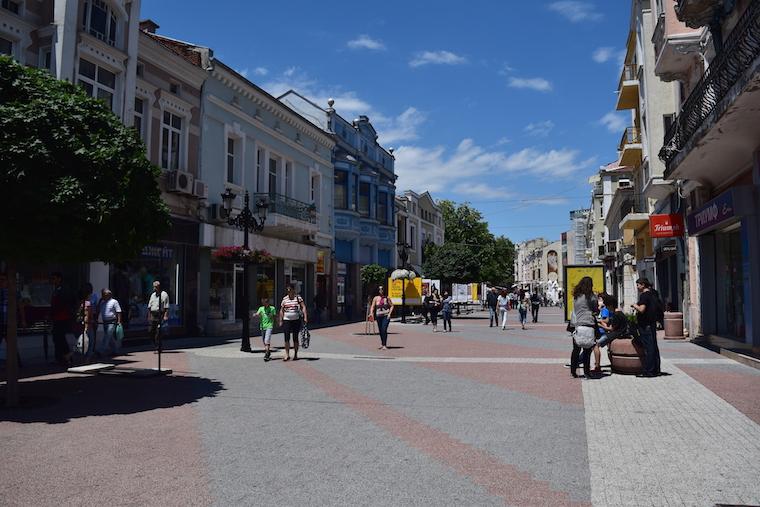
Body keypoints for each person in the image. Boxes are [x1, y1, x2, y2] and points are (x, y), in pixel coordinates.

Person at [631, 277, 661, 377]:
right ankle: (656, 369)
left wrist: (634, 305)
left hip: (645, 325)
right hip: (652, 323)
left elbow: (642, 309)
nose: (637, 287)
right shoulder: (653, 293)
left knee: (649, 348)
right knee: (653, 347)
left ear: (643, 284)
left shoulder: (644, 295)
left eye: (638, 285)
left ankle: (649, 371)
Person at [570, 276, 598, 379]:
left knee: (576, 350)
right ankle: (587, 372)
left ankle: (573, 371)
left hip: (577, 325)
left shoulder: (576, 296)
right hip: (589, 324)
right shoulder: (591, 297)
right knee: (587, 351)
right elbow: (595, 310)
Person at [50, 272, 73, 366]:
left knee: (60, 337)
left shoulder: (63, 289)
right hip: (57, 317)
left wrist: (52, 313)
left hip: (62, 317)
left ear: (59, 279)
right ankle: (60, 358)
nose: (53, 281)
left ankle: (66, 356)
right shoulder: (56, 289)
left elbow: (61, 304)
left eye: (54, 278)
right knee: (57, 338)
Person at [278, 284, 307, 361]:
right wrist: (280, 320)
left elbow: (303, 306)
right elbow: (282, 310)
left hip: (296, 320)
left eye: (290, 290)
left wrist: (305, 317)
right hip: (286, 320)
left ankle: (295, 354)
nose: (288, 291)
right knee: (286, 338)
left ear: (293, 290)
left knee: (295, 337)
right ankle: (287, 354)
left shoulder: (298, 298)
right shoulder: (285, 299)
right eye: (287, 290)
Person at [591, 293, 617, 374]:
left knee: (597, 346)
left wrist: (598, 322)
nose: (598, 301)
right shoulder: (604, 309)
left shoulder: (605, 310)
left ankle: (597, 365)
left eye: (600, 300)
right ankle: (613, 365)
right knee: (609, 349)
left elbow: (605, 321)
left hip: (604, 332)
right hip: (606, 331)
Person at [98, 289, 122, 357]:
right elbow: (98, 310)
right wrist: (100, 301)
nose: (103, 296)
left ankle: (101, 350)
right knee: (110, 337)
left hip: (112, 321)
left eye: (104, 295)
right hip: (105, 321)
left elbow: (118, 311)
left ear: (108, 295)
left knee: (107, 336)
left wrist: (119, 321)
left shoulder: (114, 302)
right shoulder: (103, 302)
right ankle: (115, 350)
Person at [147, 281, 170, 351]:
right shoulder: (153, 295)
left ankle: (158, 346)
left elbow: (166, 307)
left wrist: (165, 316)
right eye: (153, 287)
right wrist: (149, 316)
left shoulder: (164, 294)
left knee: (158, 331)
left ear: (159, 287)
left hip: (160, 314)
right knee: (150, 330)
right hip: (153, 314)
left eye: (156, 287)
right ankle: (155, 343)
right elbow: (149, 306)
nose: (154, 288)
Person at [369, 285, 394, 350]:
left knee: (384, 329)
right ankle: (382, 343)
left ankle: (384, 344)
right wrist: (371, 313)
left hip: (386, 315)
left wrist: (389, 314)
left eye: (382, 289)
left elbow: (392, 306)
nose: (381, 290)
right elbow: (373, 306)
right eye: (379, 289)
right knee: (380, 330)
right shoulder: (375, 298)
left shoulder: (387, 298)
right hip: (378, 316)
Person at [255, 296, 277, 361]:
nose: (265, 304)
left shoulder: (272, 308)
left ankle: (266, 354)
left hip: (269, 326)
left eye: (266, 303)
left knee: (266, 340)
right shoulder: (261, 308)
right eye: (263, 303)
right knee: (264, 341)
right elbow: (257, 313)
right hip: (262, 327)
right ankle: (268, 351)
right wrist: (256, 315)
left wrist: (274, 318)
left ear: (268, 302)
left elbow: (275, 316)